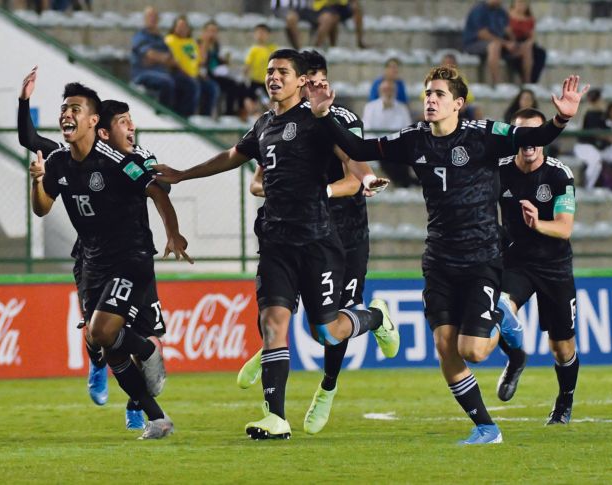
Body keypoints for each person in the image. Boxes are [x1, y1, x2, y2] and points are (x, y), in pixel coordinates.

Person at [307, 65, 588, 443]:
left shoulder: (484, 136)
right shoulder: (414, 139)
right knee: (444, 346)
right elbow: (359, 149)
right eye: (427, 94)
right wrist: (323, 115)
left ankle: (507, 332)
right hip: (439, 259)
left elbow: (531, 135)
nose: (431, 100)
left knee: (471, 350)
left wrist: (561, 117)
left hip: (481, 259)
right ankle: (487, 428)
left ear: (459, 103)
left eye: (439, 94)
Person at [151, 49, 399, 440]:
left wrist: (366, 180)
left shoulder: (319, 120)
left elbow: (352, 156)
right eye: (270, 71)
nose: (273, 77)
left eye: (282, 71)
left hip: (318, 241)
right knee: (273, 323)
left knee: (327, 332)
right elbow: (233, 156)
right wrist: (183, 175)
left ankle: (377, 317)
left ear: (301, 80)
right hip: (276, 241)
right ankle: (276, 417)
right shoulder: (265, 123)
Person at [17, 66, 186, 432]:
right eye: (65, 108)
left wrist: (173, 234)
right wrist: (36, 181)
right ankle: (156, 418)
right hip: (92, 259)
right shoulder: (59, 161)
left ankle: (146, 350)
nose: (67, 114)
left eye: (75, 108)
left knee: (106, 332)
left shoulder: (116, 161)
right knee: (101, 340)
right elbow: (42, 207)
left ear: (94, 121)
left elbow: (156, 190)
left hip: (130, 256)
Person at [235, 49, 384, 436]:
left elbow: (356, 170)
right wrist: (284, 191)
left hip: (344, 234)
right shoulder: (275, 122)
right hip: (292, 229)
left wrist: (329, 190)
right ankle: (275, 404)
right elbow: (257, 178)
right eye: (309, 79)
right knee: (277, 313)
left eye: (319, 79)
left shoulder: (342, 119)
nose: (315, 86)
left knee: (327, 328)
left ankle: (328, 387)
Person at [496, 108, 579, 425]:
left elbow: (564, 228)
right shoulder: (500, 170)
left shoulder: (559, 175)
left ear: (543, 136)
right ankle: (516, 359)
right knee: (499, 309)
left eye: (534, 132)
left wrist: (536, 223)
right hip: (516, 263)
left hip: (554, 266)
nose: (528, 141)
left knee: (561, 347)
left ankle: (563, 405)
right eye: (522, 134)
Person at [130, 6, 197, 117]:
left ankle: (183, 118)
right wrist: (161, 58)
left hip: (162, 72)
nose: (153, 19)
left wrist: (160, 58)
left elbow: (171, 60)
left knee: (190, 84)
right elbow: (150, 55)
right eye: (150, 17)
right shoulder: (140, 36)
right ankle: (164, 117)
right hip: (143, 73)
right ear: (145, 19)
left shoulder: (160, 39)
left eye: (155, 17)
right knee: (167, 82)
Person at [462, 0, 534, 85]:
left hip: (500, 43)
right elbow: (482, 34)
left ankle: (527, 83)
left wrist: (513, 42)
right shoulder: (479, 10)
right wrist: (506, 44)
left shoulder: (501, 11)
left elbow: (507, 30)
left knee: (526, 49)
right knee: (494, 46)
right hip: (474, 43)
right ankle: (496, 84)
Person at [363, 79, 416, 187]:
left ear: (395, 92)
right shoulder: (370, 108)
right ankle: (404, 182)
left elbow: (408, 131)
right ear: (380, 91)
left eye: (391, 89)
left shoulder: (402, 108)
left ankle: (403, 182)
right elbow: (366, 132)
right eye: (385, 89)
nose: (388, 92)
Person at [164, 15, 220, 117]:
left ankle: (205, 117)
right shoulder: (170, 40)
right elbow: (174, 61)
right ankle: (186, 117)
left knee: (212, 87)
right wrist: (187, 74)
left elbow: (200, 61)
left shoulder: (191, 42)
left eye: (185, 26)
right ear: (174, 27)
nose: (182, 29)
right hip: (176, 73)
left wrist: (205, 43)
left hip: (193, 74)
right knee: (193, 85)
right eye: (180, 26)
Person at [199, 20, 245, 116]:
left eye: (215, 31)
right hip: (205, 74)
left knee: (237, 84)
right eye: (210, 31)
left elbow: (215, 59)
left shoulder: (216, 45)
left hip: (216, 73)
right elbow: (201, 62)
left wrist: (223, 61)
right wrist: (205, 44)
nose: (212, 34)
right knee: (220, 87)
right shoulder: (200, 44)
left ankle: (231, 112)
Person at [506, 0, 546, 83]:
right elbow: (508, 32)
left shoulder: (530, 19)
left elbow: (532, 36)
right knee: (526, 51)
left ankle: (532, 80)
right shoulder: (507, 16)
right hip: (512, 41)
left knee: (540, 53)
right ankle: (527, 80)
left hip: (526, 42)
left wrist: (528, 43)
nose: (521, 5)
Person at [244, 24, 278, 115]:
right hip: (255, 81)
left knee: (271, 104)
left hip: (269, 82)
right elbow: (247, 66)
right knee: (250, 101)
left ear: (268, 35)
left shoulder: (272, 49)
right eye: (258, 32)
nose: (261, 35)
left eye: (263, 32)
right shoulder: (253, 50)